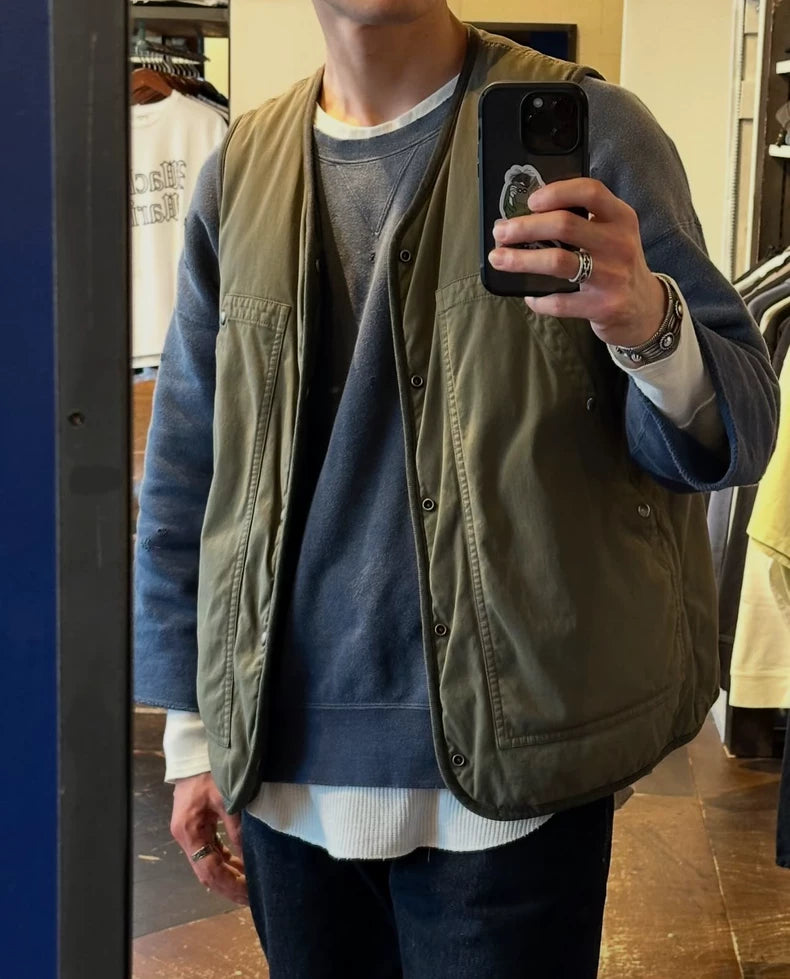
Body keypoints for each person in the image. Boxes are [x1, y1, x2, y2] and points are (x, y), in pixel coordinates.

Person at [134, 2, 780, 976]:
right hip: (280, 771)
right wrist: (193, 735)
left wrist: (649, 321)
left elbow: (742, 427)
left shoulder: (598, 131)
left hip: (519, 771)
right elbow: (192, 462)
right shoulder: (242, 169)